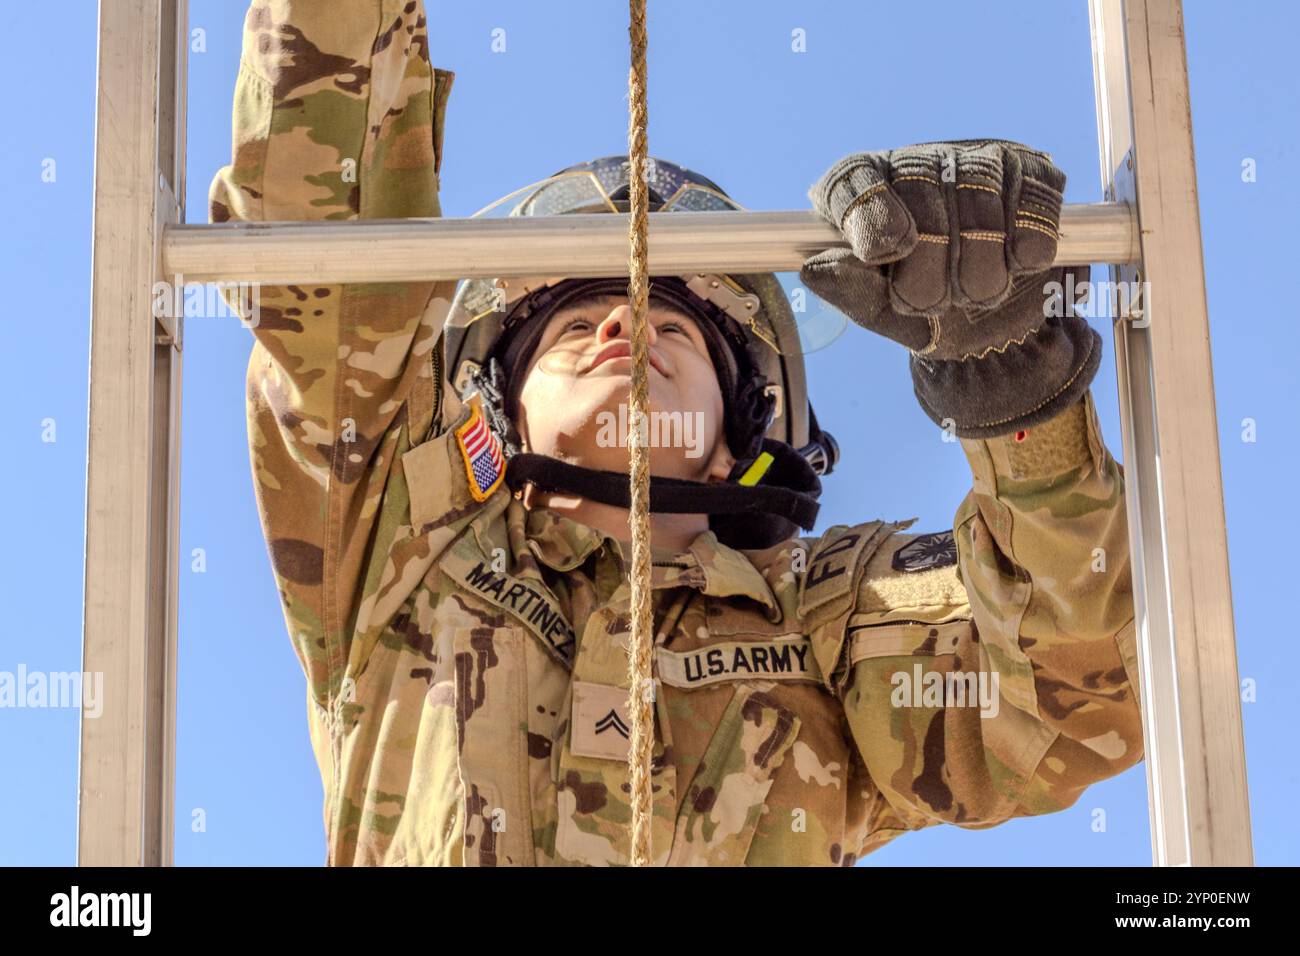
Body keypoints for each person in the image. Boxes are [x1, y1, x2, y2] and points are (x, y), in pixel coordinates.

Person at [212, 0, 1143, 866]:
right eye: (576, 327)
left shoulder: (826, 620)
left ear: (744, 435)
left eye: (674, 327)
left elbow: (1074, 701)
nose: (625, 328)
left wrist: (1014, 393)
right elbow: (325, 251)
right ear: (495, 411)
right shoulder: (396, 548)